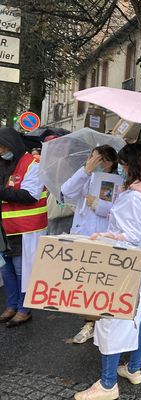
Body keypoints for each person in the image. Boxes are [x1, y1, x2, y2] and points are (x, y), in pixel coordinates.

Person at [74, 143, 141, 400]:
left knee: (111, 319)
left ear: (130, 166)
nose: (121, 170)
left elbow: (128, 237)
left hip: (124, 264)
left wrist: (103, 235)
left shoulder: (135, 197)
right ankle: (133, 368)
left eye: (123, 165)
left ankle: (108, 383)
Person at [61, 145, 119, 344]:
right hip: (82, 236)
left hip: (104, 237)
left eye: (104, 160)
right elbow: (66, 192)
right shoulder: (84, 176)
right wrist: (86, 170)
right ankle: (89, 323)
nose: (99, 163)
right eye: (96, 158)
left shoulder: (115, 181)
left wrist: (97, 204)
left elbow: (115, 209)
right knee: (83, 284)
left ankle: (102, 323)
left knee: (102, 282)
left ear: (112, 163)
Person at [0, 127, 48, 328]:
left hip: (25, 228)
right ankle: (11, 306)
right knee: (6, 269)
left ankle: (23, 309)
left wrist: (2, 192)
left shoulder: (32, 164)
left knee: (22, 270)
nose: (1, 152)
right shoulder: (4, 163)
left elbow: (30, 195)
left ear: (12, 144)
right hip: (5, 228)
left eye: (3, 147)